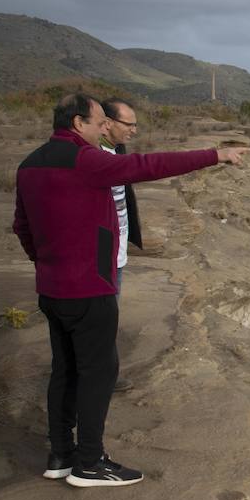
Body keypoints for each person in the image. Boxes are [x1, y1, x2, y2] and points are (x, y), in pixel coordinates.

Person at [13, 93, 250, 488]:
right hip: (89, 286)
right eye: (99, 121)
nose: (105, 128)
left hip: (52, 288)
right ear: (77, 124)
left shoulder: (29, 164)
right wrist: (216, 155)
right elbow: (149, 165)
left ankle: (60, 454)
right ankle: (89, 463)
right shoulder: (85, 160)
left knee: (65, 370)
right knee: (98, 372)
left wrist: (48, 263)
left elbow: (22, 226)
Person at [100, 98, 140, 392]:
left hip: (117, 255)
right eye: (130, 124)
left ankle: (106, 375)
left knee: (108, 319)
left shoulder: (117, 150)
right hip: (100, 259)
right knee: (101, 323)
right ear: (107, 123)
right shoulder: (92, 158)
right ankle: (100, 381)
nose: (134, 130)